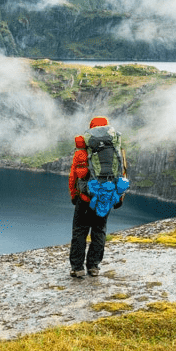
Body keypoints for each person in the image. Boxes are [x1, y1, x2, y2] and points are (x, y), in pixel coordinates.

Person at [68, 116, 126, 278]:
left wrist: (74, 196)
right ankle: (93, 267)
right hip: (105, 197)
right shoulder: (115, 146)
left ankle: (77, 268)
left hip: (85, 198)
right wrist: (119, 197)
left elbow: (74, 175)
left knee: (80, 231)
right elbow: (121, 173)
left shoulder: (86, 147)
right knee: (99, 231)